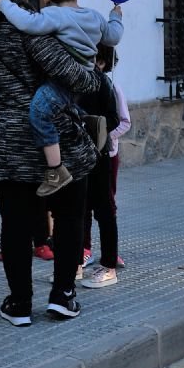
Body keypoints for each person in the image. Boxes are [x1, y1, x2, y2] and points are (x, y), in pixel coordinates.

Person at [0, 0, 104, 326]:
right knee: (71, 216)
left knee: (15, 225)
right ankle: (62, 296)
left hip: (4, 142)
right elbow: (73, 75)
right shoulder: (29, 24)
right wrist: (93, 76)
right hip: (52, 139)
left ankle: (20, 304)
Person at [0, 0, 123, 197]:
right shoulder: (95, 17)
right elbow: (114, 37)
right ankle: (86, 127)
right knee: (62, 108)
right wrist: (115, 15)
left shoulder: (54, 15)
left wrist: (4, 3)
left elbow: (26, 23)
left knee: (39, 112)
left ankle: (56, 170)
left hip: (63, 81)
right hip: (84, 77)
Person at [76, 45, 122, 289]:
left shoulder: (102, 82)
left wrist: (90, 123)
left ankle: (108, 265)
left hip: (98, 156)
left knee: (104, 211)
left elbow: (115, 119)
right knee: (76, 210)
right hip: (73, 156)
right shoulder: (68, 77)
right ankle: (75, 263)